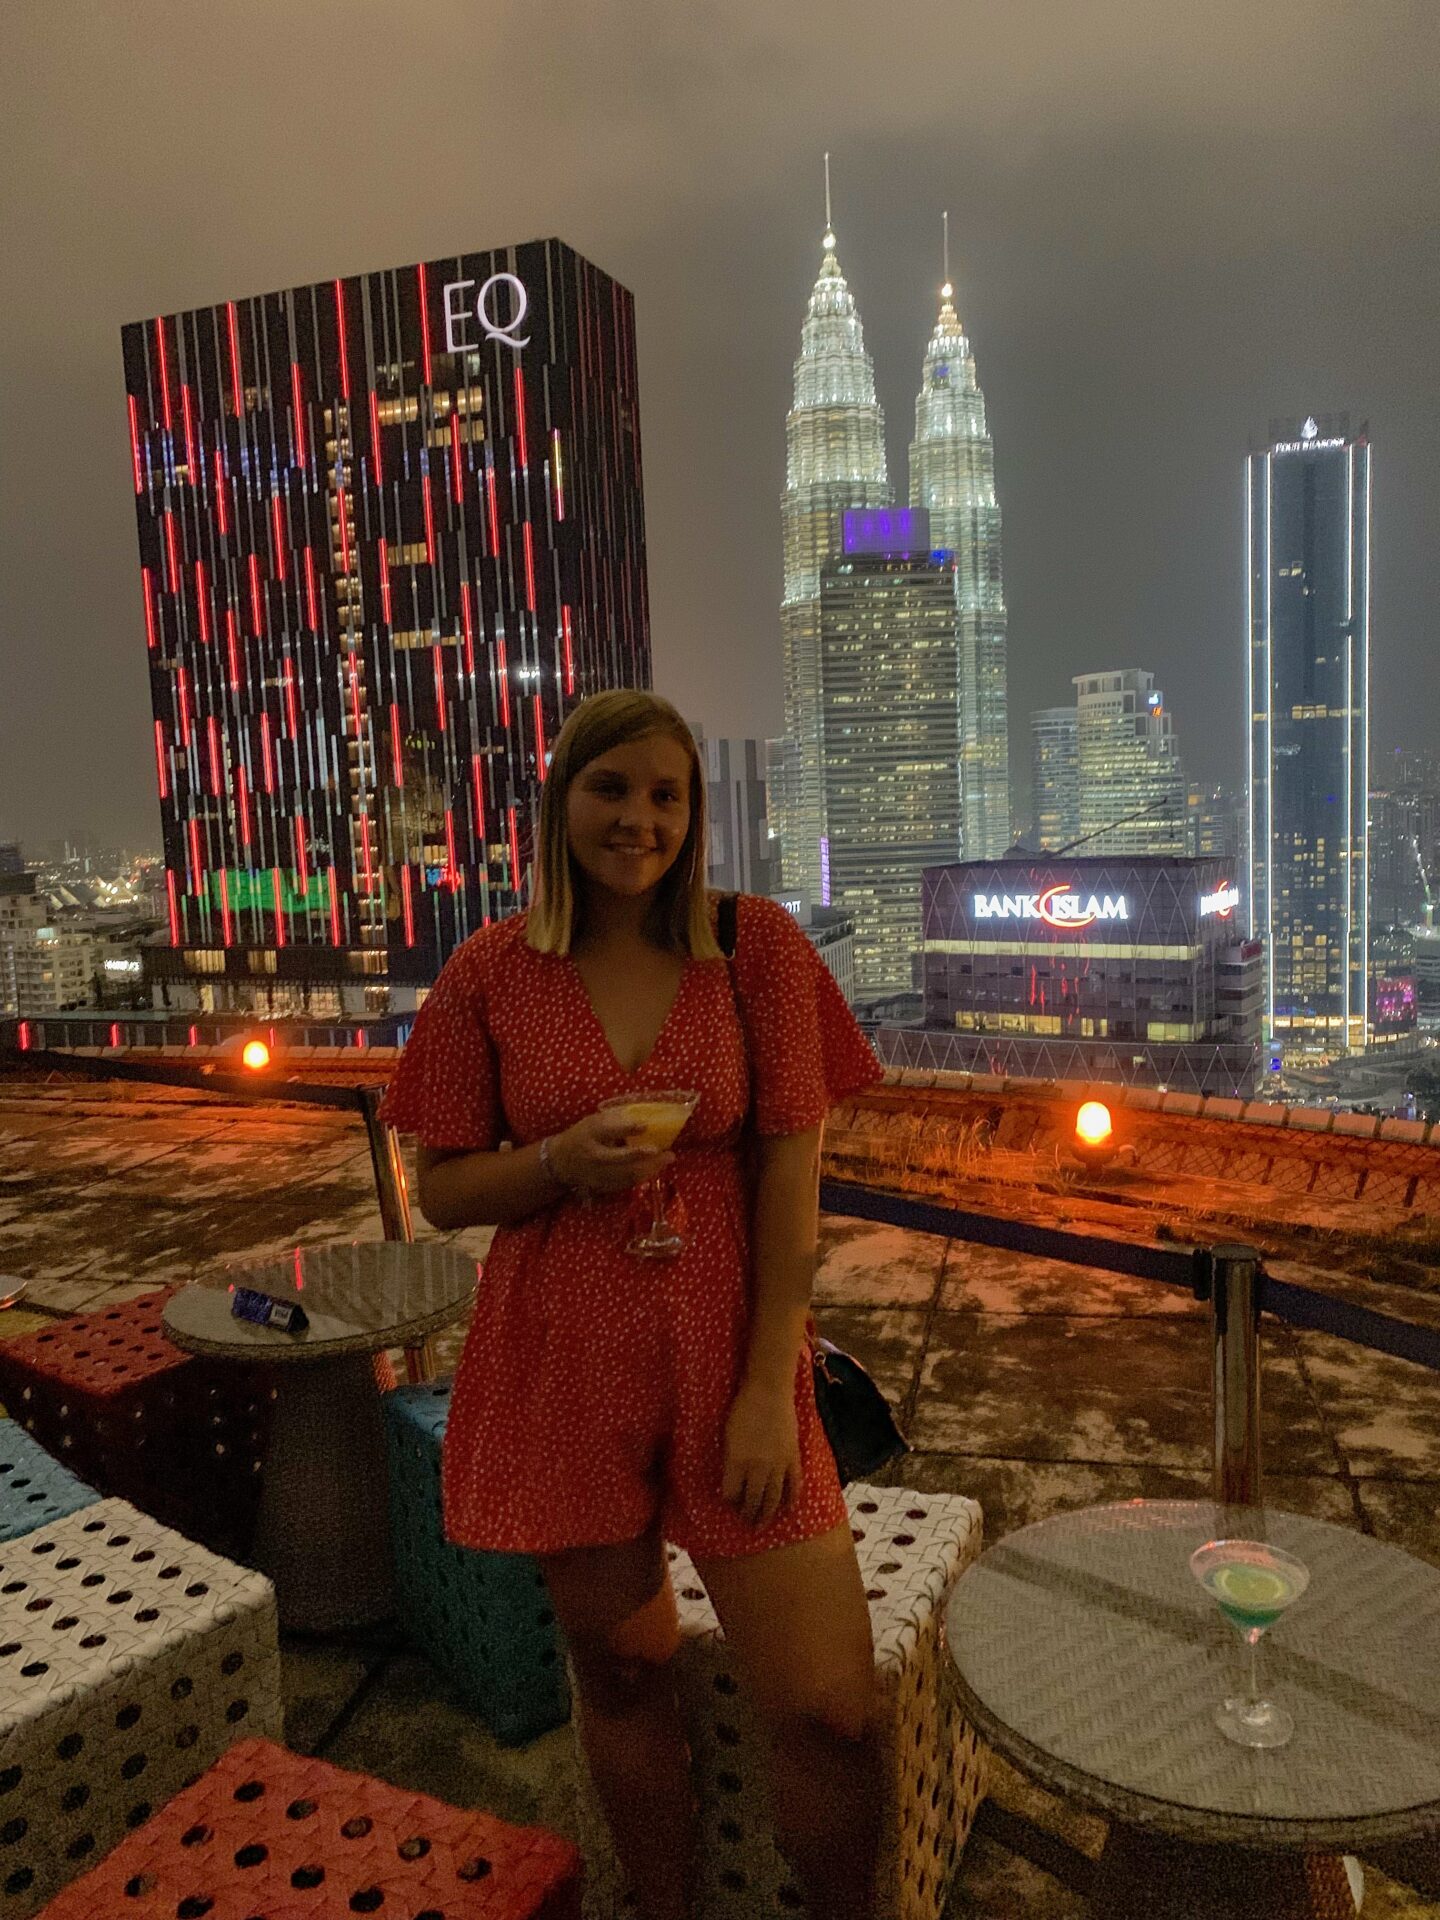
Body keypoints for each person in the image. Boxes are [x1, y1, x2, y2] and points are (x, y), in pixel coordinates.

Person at [380, 689, 885, 1920]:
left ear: (697, 813)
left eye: (668, 795)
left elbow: (792, 1175)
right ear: (562, 800)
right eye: (611, 788)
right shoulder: (491, 971)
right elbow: (440, 1190)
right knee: (618, 1671)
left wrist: (767, 1387)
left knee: (833, 1712)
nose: (639, 819)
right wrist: (558, 1162)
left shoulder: (753, 946)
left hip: (728, 1360)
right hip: (559, 1363)